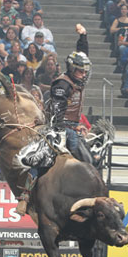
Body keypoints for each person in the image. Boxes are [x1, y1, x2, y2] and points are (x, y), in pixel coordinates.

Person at [49, 23, 91, 162]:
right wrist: (67, 129)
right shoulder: (63, 84)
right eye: (80, 71)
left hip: (73, 125)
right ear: (72, 69)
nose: (84, 74)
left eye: (85, 71)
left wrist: (83, 36)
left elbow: (83, 55)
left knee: (93, 155)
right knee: (86, 160)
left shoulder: (78, 79)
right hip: (61, 128)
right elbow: (57, 113)